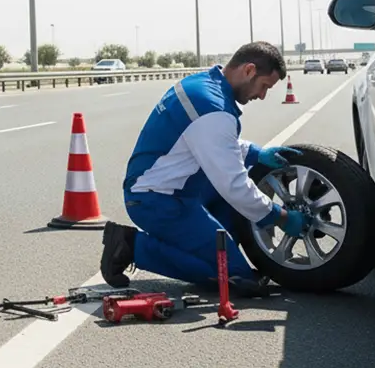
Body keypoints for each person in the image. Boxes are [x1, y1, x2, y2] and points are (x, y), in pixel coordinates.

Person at [99, 41, 310, 296]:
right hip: (157, 201)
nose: (262, 96)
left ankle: (208, 242)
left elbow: (211, 144)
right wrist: (281, 217)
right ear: (249, 70)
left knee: (227, 236)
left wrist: (257, 154)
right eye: (264, 86)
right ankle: (131, 246)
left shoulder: (204, 84)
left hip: (180, 188)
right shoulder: (212, 108)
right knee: (233, 276)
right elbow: (233, 184)